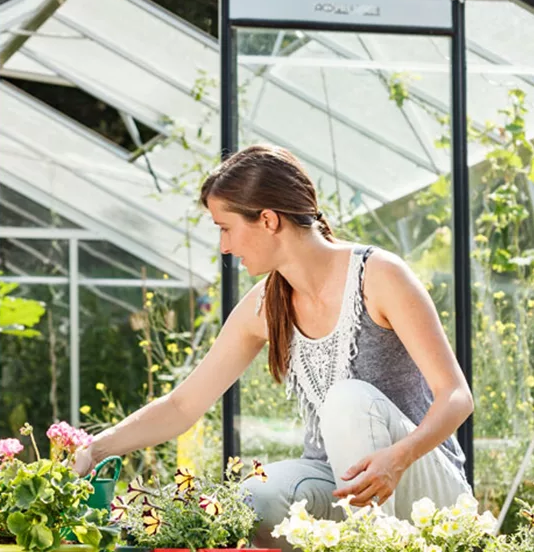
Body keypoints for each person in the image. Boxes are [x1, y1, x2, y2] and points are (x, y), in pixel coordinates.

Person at [74, 144, 473, 551]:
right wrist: (96, 448)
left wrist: (399, 456)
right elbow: (182, 406)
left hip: (423, 486)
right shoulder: (265, 305)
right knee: (252, 499)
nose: (224, 246)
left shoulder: (378, 276)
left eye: (225, 228)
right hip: (338, 484)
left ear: (267, 219)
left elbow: (457, 396)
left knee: (347, 400)